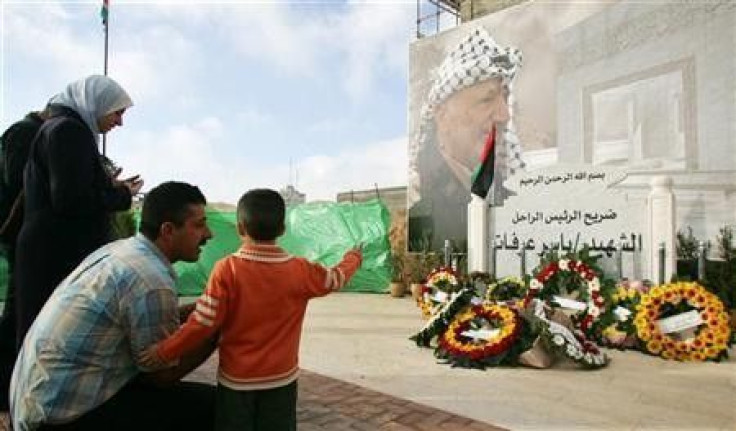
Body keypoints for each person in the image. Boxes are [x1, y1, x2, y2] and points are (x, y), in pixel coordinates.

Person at [140, 188, 363, 431]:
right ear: (282, 229)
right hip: (282, 381)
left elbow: (201, 324)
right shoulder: (300, 270)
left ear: (240, 228)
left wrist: (163, 352)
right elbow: (336, 278)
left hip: (236, 384)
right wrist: (354, 257)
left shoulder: (226, 270)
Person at [10, 181, 217, 431]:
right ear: (168, 230)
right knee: (214, 407)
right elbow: (160, 376)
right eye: (199, 225)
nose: (208, 235)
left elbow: (148, 322)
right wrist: (217, 331)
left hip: (35, 403)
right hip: (60, 419)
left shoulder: (123, 251)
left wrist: (205, 307)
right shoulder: (151, 280)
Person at [14, 75, 144, 346]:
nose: (119, 121)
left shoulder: (59, 128)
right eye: (117, 112)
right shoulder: (69, 132)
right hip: (55, 254)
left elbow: (71, 188)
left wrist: (107, 186)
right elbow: (71, 201)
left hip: (47, 250)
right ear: (98, 102)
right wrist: (121, 195)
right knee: (49, 341)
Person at [407, 27, 525, 251]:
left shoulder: (508, 190)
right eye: (486, 99)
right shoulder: (423, 206)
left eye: (505, 97)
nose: (504, 115)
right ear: (443, 117)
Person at [0, 108, 49, 411]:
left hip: (23, 232)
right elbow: (19, 180)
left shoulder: (31, 132)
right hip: (18, 232)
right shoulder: (24, 132)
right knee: (18, 313)